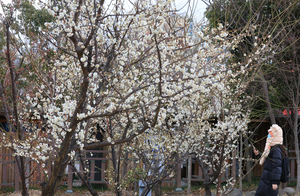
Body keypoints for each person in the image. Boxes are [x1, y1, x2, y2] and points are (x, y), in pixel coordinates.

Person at [253, 124, 283, 196]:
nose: (268, 137)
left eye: (270, 135)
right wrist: (258, 155)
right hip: (267, 179)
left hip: (270, 180)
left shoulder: (276, 150)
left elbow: (277, 166)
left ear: (275, 136)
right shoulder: (271, 149)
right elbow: (267, 160)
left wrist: (275, 182)